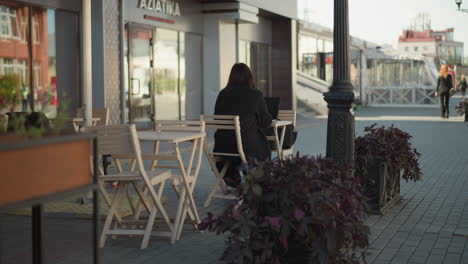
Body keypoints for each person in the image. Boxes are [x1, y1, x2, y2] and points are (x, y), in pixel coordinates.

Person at [213, 63, 272, 187]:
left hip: (222, 148)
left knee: (247, 143)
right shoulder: (255, 94)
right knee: (260, 146)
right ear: (250, 77)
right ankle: (253, 181)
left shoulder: (223, 94)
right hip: (246, 148)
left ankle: (236, 181)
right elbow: (265, 121)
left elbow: (217, 116)